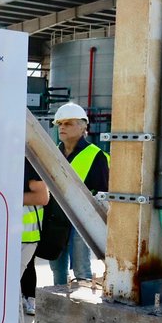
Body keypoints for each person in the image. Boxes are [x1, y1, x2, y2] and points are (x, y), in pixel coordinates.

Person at [49, 102, 109, 285]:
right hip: (56, 218)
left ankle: (82, 304)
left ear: (83, 126)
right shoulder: (53, 152)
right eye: (60, 124)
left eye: (68, 123)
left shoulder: (96, 155)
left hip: (81, 222)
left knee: (81, 270)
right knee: (57, 268)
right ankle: (59, 303)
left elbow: (102, 194)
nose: (62, 127)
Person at [17, 158, 49, 323]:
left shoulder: (23, 158)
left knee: (8, 296)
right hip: (1, 236)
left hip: (24, 238)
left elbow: (42, 197)